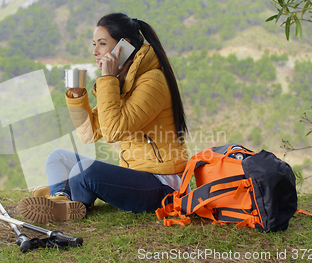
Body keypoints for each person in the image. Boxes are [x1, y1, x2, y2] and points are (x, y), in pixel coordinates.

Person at [18, 13, 189, 223]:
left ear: (123, 47)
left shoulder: (152, 81)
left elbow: (112, 131)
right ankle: (62, 198)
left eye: (102, 44)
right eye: (94, 44)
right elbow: (89, 133)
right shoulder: (124, 81)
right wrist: (77, 95)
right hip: (137, 175)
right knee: (57, 157)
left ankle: (70, 195)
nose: (95, 52)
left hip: (163, 185)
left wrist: (108, 79)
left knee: (84, 172)